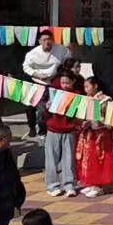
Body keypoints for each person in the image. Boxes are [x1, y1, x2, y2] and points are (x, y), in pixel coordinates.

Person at [40, 69, 81, 199]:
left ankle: (70, 185)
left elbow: (77, 115)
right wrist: (47, 108)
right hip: (53, 130)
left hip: (69, 131)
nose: (65, 86)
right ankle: (52, 186)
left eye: (67, 83)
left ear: (73, 82)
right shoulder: (54, 93)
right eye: (63, 83)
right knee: (51, 159)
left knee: (69, 160)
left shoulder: (77, 95)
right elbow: (45, 115)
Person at [73, 80, 113, 199]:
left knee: (98, 159)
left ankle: (99, 185)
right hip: (89, 134)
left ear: (95, 85)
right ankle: (91, 183)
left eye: (87, 86)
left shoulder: (105, 100)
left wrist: (92, 122)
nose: (85, 89)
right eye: (84, 87)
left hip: (100, 134)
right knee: (88, 158)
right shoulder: (87, 99)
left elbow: (107, 119)